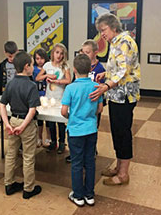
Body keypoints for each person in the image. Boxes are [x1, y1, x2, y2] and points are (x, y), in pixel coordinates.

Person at [89, 13, 141, 186]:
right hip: (117, 95)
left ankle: (123, 174)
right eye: (100, 30)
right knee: (117, 131)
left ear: (113, 27)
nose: (102, 33)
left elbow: (123, 71)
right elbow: (117, 68)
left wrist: (106, 85)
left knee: (123, 133)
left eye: (103, 30)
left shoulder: (124, 42)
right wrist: (106, 74)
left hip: (124, 95)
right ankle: (118, 167)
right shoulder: (115, 42)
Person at [61, 54, 103, 207]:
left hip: (75, 131)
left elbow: (64, 111)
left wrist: (73, 117)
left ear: (74, 70)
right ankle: (89, 194)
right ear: (90, 68)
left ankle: (78, 195)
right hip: (91, 129)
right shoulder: (96, 86)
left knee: (77, 163)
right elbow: (99, 108)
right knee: (90, 161)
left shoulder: (70, 88)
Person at [0, 51, 42, 199]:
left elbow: (2, 105)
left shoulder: (11, 84)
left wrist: (7, 124)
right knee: (28, 156)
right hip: (26, 124)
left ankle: (8, 184)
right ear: (26, 66)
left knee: (11, 154)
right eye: (32, 64)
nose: (33, 67)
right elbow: (32, 109)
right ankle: (28, 189)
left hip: (13, 121)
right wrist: (23, 126)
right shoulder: (31, 86)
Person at [66, 39, 106, 163]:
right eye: (82, 51)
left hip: (93, 104)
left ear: (95, 53)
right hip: (79, 104)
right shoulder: (79, 66)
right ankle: (77, 153)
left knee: (93, 126)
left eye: (87, 52)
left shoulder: (100, 68)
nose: (84, 54)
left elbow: (103, 87)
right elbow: (74, 82)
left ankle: (91, 150)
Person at [36, 43, 71, 154]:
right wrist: (47, 76)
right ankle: (53, 142)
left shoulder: (65, 66)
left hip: (60, 99)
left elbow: (68, 80)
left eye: (61, 53)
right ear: (52, 53)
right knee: (50, 122)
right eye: (57, 52)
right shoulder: (47, 65)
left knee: (61, 123)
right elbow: (37, 78)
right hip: (49, 98)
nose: (59, 56)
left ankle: (61, 143)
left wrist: (57, 81)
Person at [32, 48, 51, 147]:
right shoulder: (33, 69)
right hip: (37, 95)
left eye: (42, 58)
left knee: (48, 119)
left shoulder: (48, 67)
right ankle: (39, 137)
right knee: (39, 118)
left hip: (47, 95)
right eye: (37, 58)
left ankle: (48, 137)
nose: (39, 61)